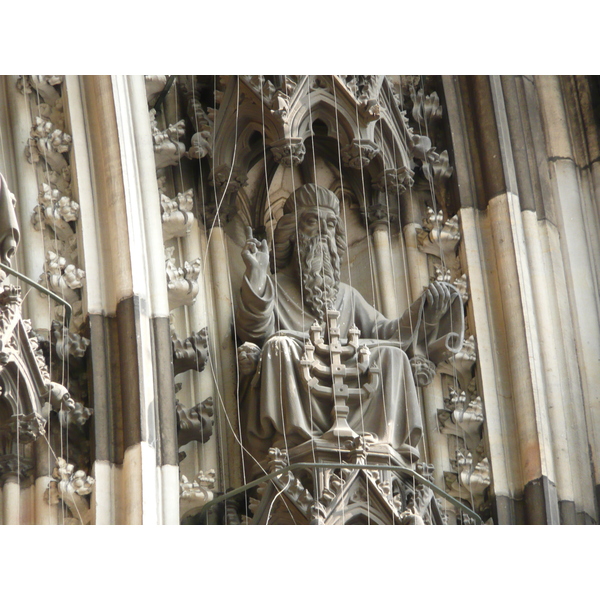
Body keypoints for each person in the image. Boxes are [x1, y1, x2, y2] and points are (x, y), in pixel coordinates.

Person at [236, 184, 463, 467]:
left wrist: (426, 313)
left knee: (393, 356)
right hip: (301, 378)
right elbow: (256, 331)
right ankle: (294, 440)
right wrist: (257, 274)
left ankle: (381, 442)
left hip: (346, 373)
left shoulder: (347, 295)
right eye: (312, 222)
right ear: (292, 233)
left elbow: (388, 335)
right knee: (278, 347)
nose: (323, 233)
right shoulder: (276, 288)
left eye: (331, 225)